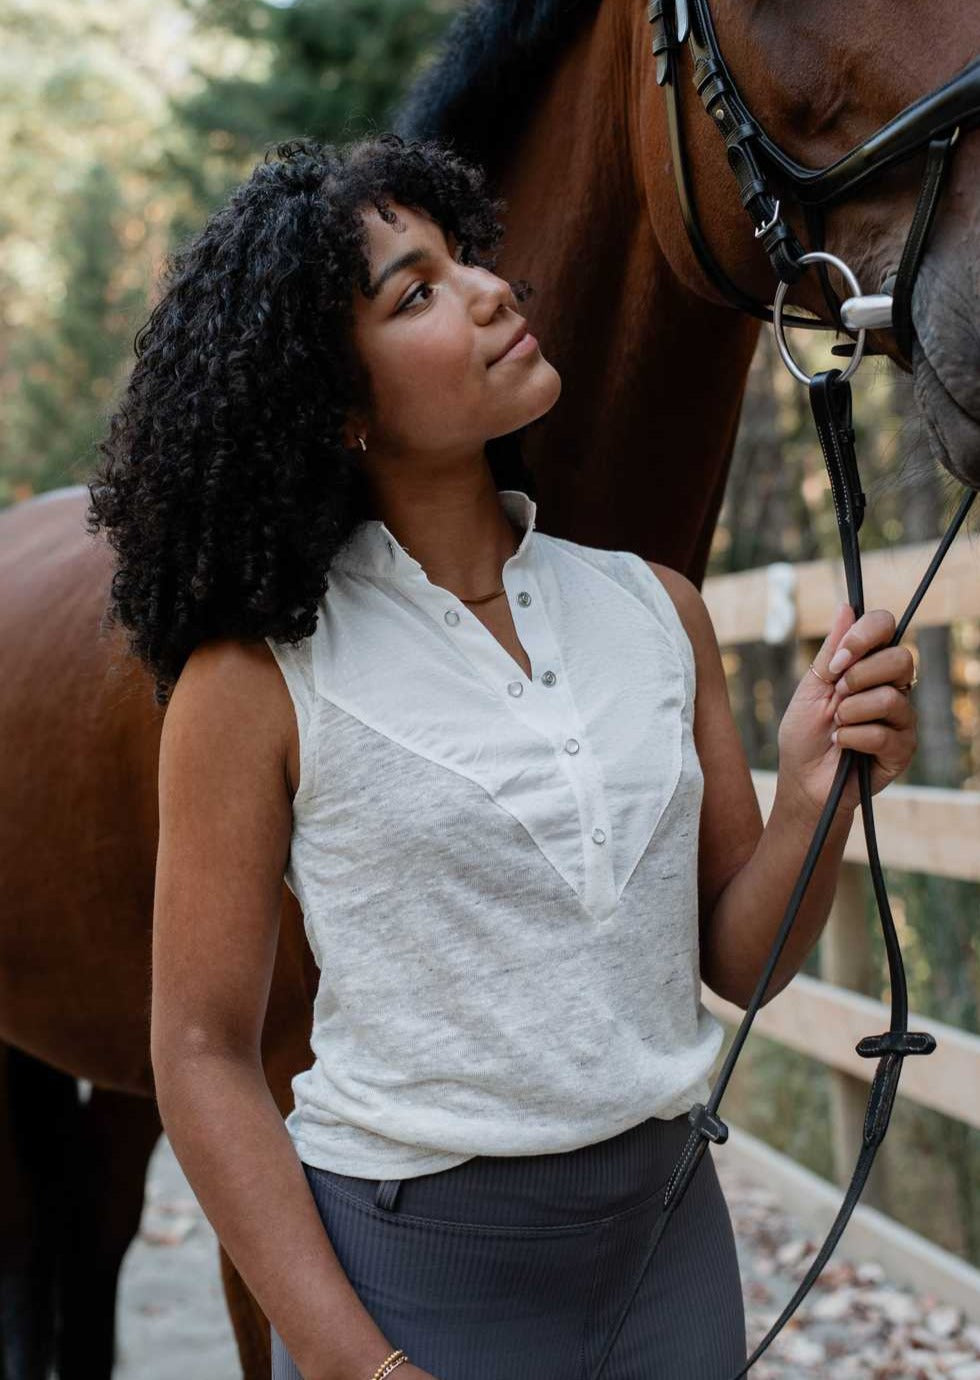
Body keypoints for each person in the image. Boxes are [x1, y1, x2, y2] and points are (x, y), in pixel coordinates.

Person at [86, 133, 918, 1380]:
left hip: (670, 1253)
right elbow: (200, 1053)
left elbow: (739, 966)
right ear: (336, 406)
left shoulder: (655, 608)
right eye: (414, 291)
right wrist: (348, 1360)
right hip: (417, 1276)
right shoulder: (255, 681)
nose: (489, 289)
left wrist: (810, 798)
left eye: (469, 257)